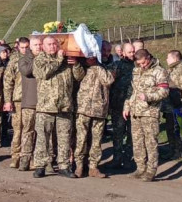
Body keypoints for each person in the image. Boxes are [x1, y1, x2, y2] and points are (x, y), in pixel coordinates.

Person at [32, 35, 85, 178]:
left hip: (64, 106)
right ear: (43, 46)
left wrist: (76, 65)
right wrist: (59, 60)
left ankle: (64, 166)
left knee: (64, 138)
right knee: (43, 137)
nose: (52, 47)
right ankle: (40, 166)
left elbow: (79, 77)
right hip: (46, 106)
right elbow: (43, 73)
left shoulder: (67, 60)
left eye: (54, 44)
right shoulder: (40, 59)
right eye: (49, 44)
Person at [123, 49, 168, 181]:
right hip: (135, 112)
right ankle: (140, 168)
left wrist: (148, 96)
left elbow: (164, 91)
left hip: (150, 112)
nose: (142, 65)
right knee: (137, 142)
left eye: (144, 62)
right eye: (139, 63)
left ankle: (151, 170)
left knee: (150, 142)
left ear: (149, 57)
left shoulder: (159, 71)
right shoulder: (136, 70)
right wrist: (127, 106)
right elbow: (131, 91)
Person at [75, 42, 116, 178]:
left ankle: (93, 167)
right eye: (103, 50)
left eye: (108, 50)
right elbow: (77, 76)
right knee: (81, 138)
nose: (105, 52)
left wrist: (96, 65)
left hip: (100, 108)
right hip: (84, 107)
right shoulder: (85, 64)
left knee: (96, 140)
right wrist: (78, 63)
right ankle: (79, 165)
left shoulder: (112, 65)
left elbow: (108, 80)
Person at [2, 37, 29, 168]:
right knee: (17, 129)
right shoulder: (14, 61)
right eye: (22, 47)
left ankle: (27, 156)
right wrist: (8, 101)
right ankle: (15, 156)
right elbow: (8, 82)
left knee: (29, 130)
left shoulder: (33, 58)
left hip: (31, 99)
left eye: (26, 47)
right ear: (18, 47)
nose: (24, 50)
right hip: (17, 99)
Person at [16, 35, 41, 170]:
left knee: (41, 134)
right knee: (27, 132)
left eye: (39, 45)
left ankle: (37, 160)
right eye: (36, 45)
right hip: (29, 103)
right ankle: (24, 160)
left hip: (43, 103)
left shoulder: (44, 58)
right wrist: (37, 59)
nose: (38, 47)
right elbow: (27, 71)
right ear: (30, 47)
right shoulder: (24, 60)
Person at [109, 42, 135, 170]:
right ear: (123, 53)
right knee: (118, 134)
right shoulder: (117, 65)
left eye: (133, 51)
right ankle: (117, 159)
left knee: (132, 135)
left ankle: (129, 159)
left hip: (134, 106)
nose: (132, 54)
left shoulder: (138, 66)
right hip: (118, 106)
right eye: (129, 52)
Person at [163, 50, 182, 159]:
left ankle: (179, 151)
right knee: (170, 128)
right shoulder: (171, 69)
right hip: (169, 105)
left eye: (168, 57)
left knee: (179, 129)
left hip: (178, 105)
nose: (166, 60)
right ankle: (172, 149)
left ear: (175, 58)